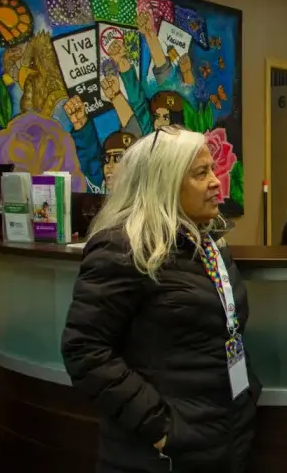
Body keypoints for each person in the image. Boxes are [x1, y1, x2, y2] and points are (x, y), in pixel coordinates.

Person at [61, 125, 261, 473]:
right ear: (163, 182)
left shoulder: (209, 244)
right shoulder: (122, 247)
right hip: (159, 453)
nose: (217, 182)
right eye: (201, 173)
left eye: (213, 169)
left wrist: (246, 398)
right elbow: (85, 350)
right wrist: (161, 427)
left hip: (225, 434)